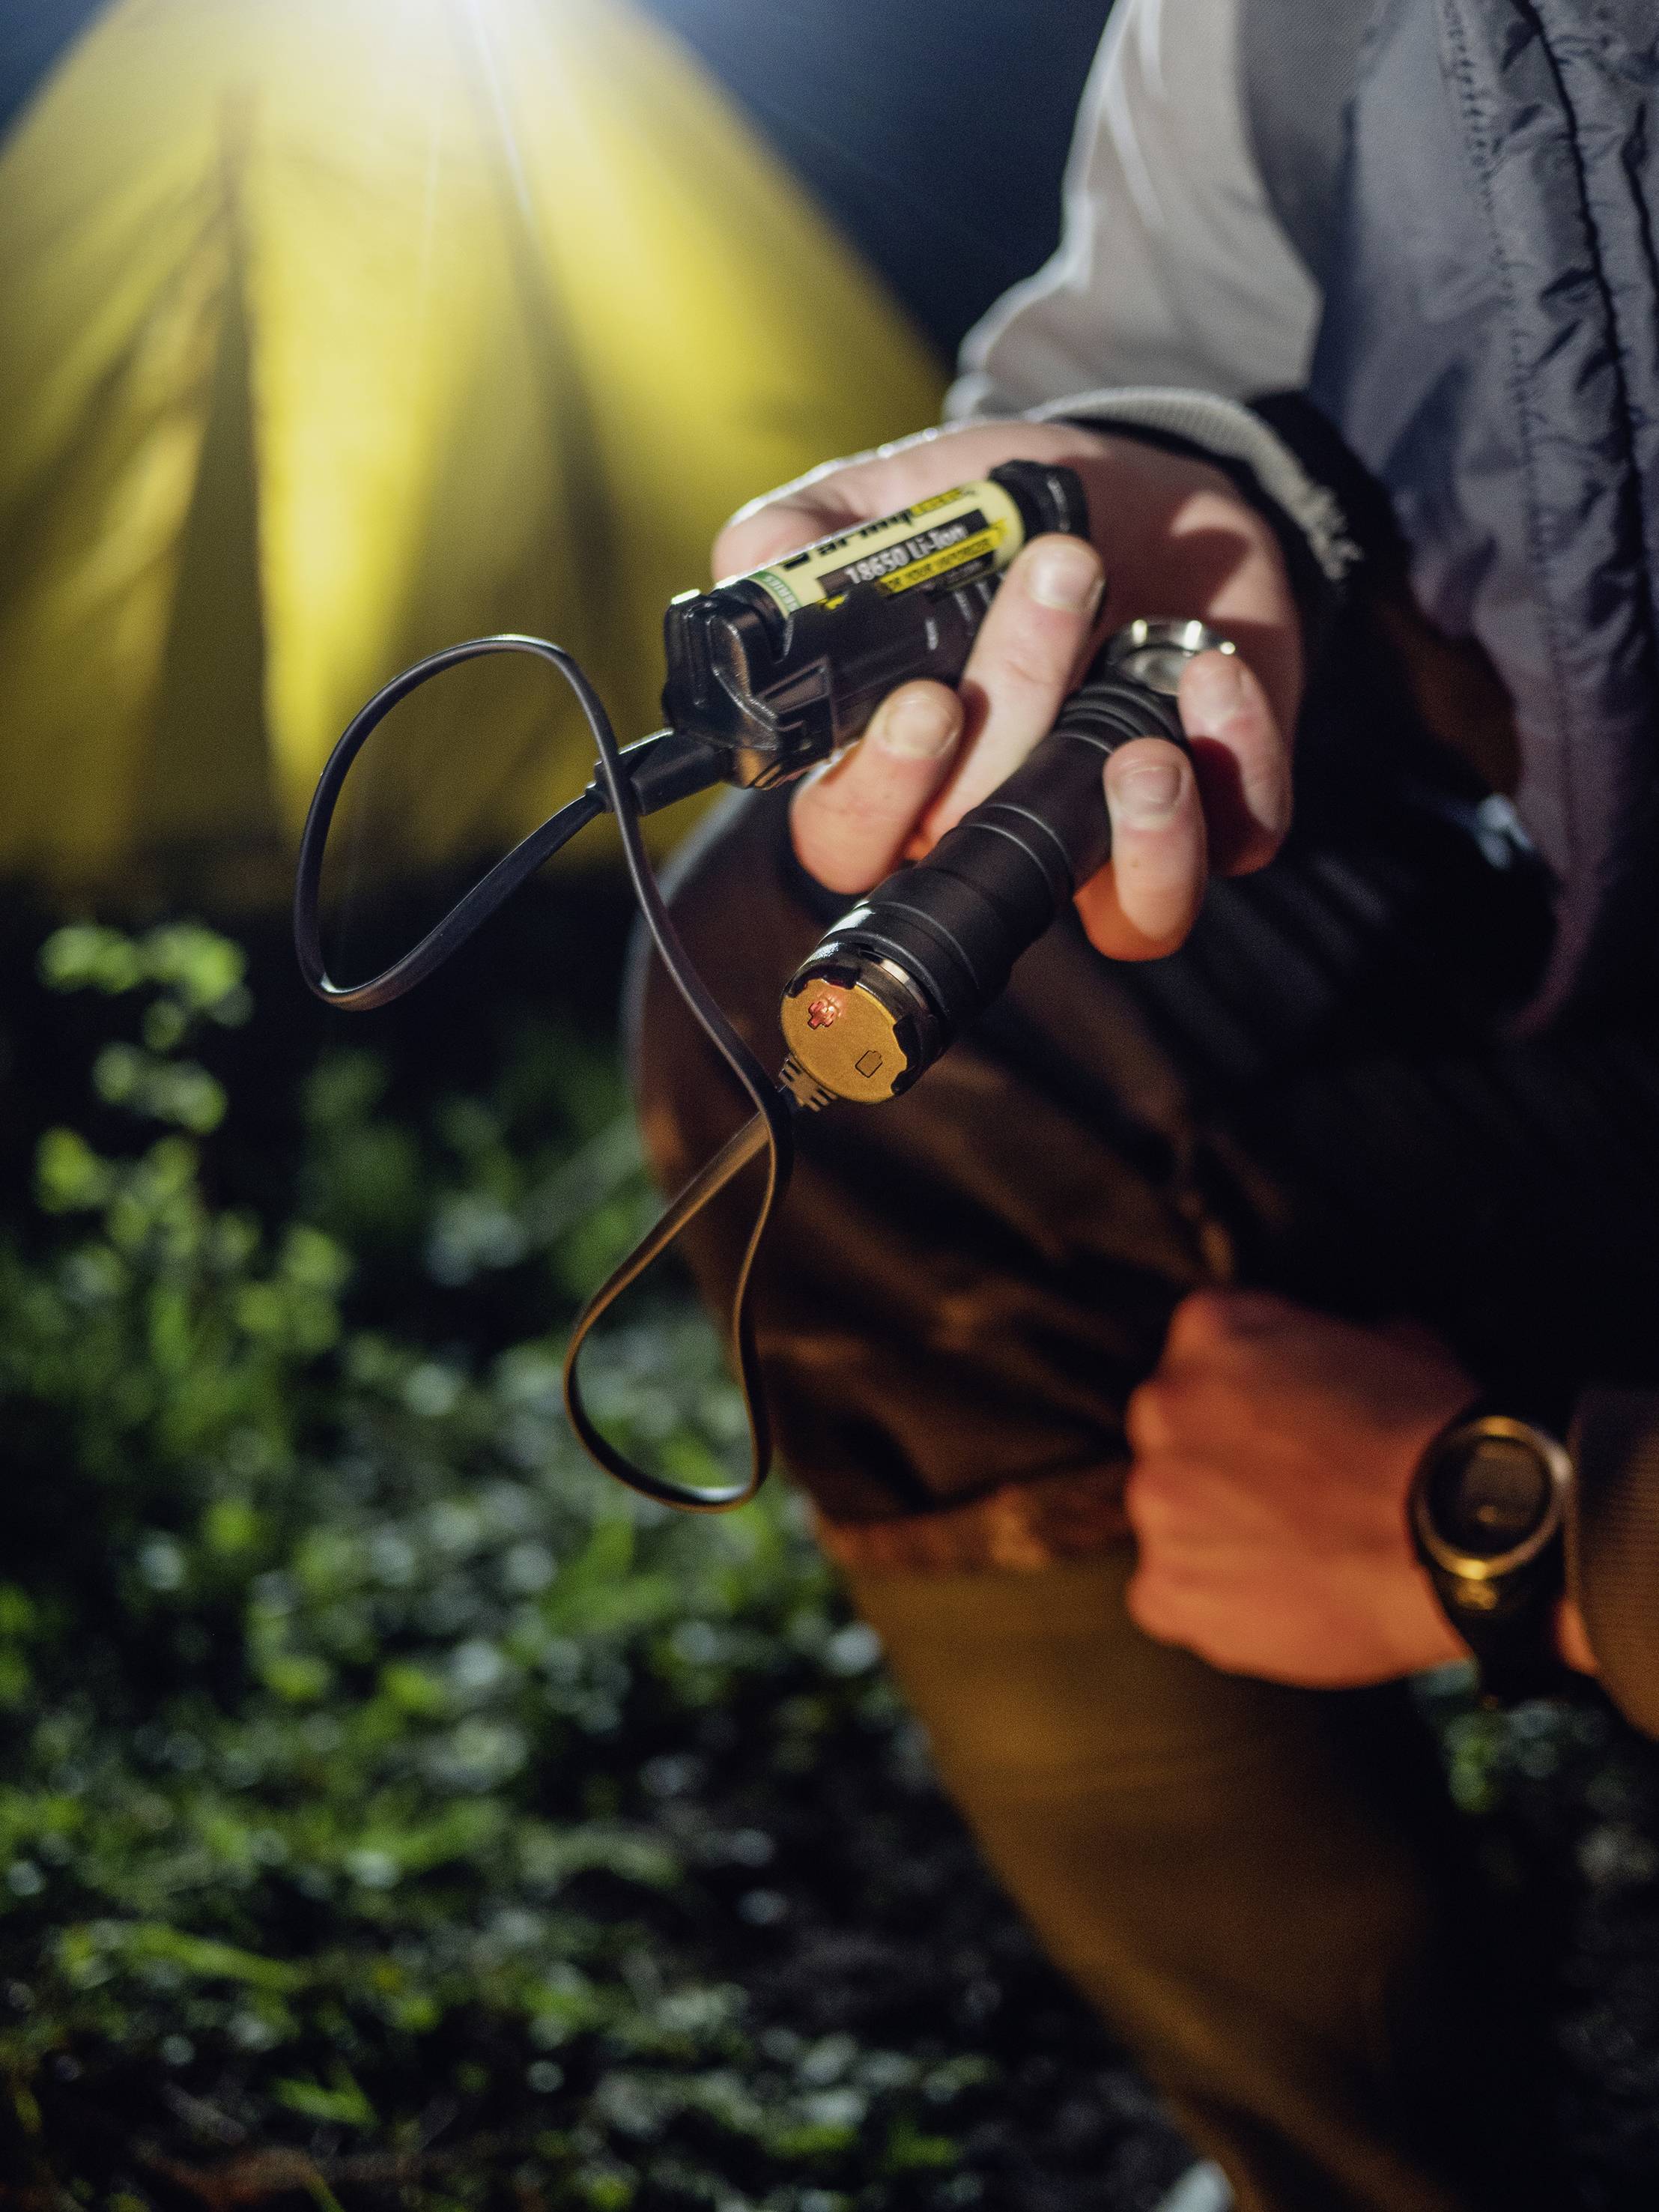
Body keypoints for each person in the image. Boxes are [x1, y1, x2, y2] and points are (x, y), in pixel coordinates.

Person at [631, 1, 1659, 2205]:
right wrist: (1188, 494)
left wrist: (1527, 1529)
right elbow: (1183, 323)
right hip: (1588, 948)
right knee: (807, 1014)